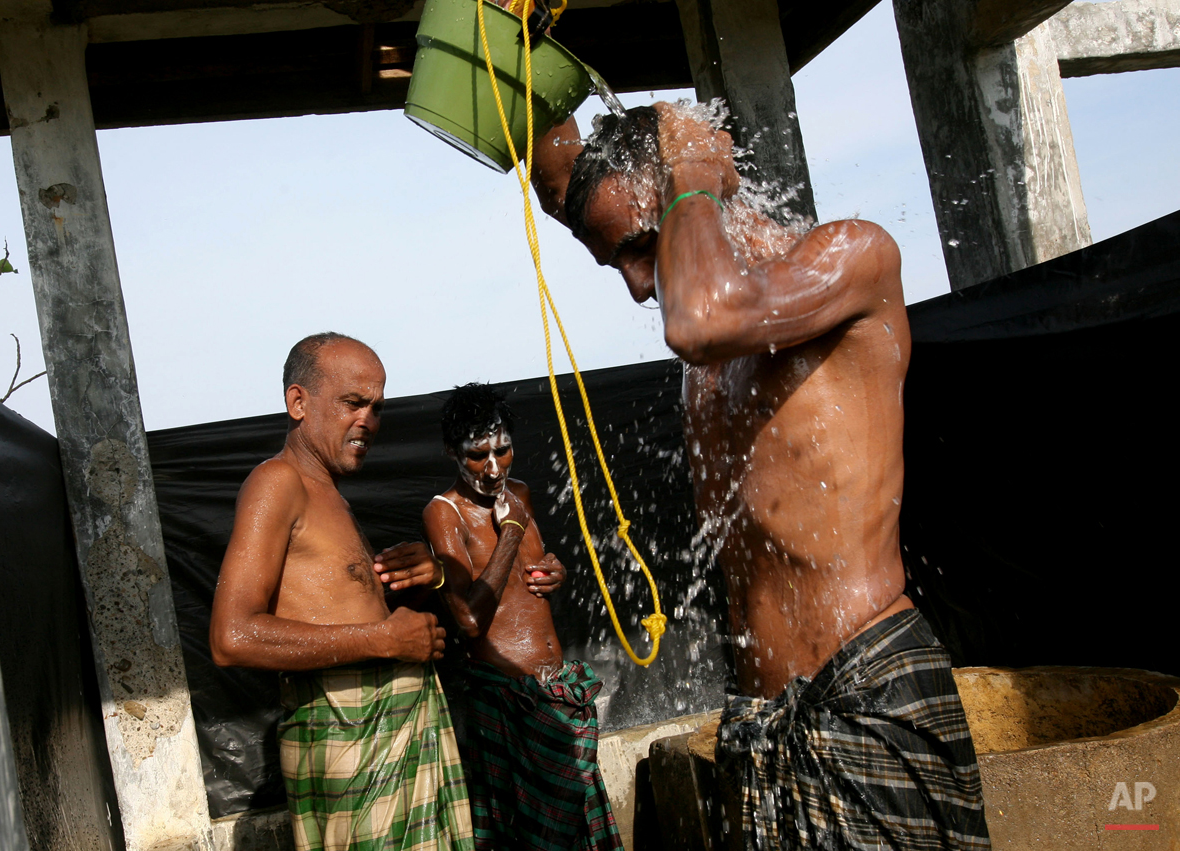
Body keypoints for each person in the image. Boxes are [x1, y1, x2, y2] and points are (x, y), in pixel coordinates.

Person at [532, 107, 991, 850]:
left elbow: (701, 318)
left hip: (863, 691)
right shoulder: (710, 342)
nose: (637, 287)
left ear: (702, 186)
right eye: (613, 263)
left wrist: (688, 165)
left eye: (640, 247)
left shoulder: (848, 258)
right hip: (757, 718)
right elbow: (562, 181)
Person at [209, 332, 474, 851]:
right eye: (353, 403)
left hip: (385, 732)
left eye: (377, 408)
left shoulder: (330, 497)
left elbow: (341, 614)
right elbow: (231, 636)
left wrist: (422, 582)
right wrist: (384, 641)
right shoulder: (276, 482)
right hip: (350, 740)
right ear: (298, 402)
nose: (368, 421)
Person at [404, 382, 623, 851]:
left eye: (502, 451)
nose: (492, 468)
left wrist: (554, 571)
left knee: (577, 834)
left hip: (558, 690)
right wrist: (510, 532)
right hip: (509, 702)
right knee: (531, 839)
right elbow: (467, 621)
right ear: (451, 452)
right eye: (477, 454)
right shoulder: (445, 514)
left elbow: (529, 584)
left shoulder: (518, 492)